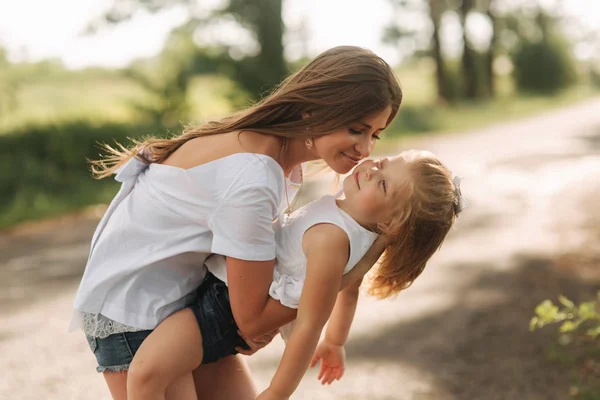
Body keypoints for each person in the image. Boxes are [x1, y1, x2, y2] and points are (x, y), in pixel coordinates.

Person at [70, 45, 403, 400]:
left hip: (184, 304)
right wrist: (346, 273)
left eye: (375, 134)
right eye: (356, 129)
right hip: (135, 310)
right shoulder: (254, 174)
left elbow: (254, 285)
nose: (366, 149)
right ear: (313, 109)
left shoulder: (279, 155)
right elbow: (252, 319)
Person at [126, 149, 463, 400]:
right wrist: (337, 341)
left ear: (392, 223)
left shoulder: (332, 240)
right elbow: (350, 289)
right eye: (385, 162)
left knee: (145, 374)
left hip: (224, 308)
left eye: (385, 183)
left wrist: (277, 391)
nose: (373, 169)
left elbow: (308, 323)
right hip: (223, 293)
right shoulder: (357, 229)